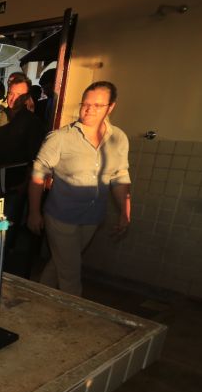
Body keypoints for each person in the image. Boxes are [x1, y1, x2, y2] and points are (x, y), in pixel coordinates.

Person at [27, 81, 131, 296]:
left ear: (111, 107)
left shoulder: (118, 138)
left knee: (60, 263)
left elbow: (120, 174)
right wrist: (34, 212)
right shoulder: (61, 138)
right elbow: (38, 174)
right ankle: (74, 319)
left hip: (92, 217)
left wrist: (125, 210)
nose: (89, 109)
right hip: (61, 216)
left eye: (97, 105)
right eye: (86, 103)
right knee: (71, 274)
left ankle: (36, 298)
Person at [0, 76, 46, 277]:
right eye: (12, 93)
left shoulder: (32, 123)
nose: (14, 98)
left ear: (27, 96)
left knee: (7, 227)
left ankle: (2, 271)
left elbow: (35, 158)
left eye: (20, 95)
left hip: (16, 183)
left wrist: (24, 183)